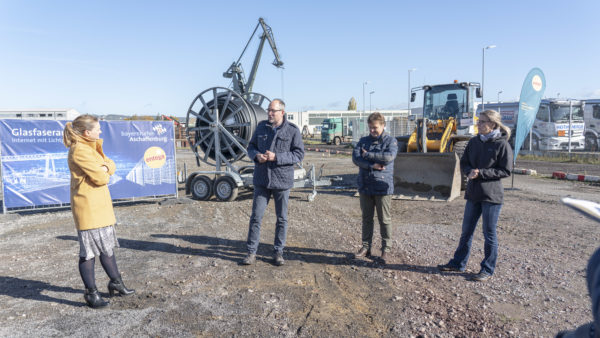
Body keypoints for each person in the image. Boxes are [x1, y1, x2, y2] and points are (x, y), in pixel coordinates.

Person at [63, 115, 135, 308]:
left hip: (99, 207)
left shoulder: (91, 147)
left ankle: (116, 282)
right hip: (89, 208)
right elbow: (101, 178)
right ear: (87, 132)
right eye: (97, 129)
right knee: (88, 253)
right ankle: (91, 294)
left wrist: (105, 167)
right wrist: (105, 169)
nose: (100, 131)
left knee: (107, 247)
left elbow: (111, 164)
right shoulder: (80, 151)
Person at [438, 109, 513, 281]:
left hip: (491, 196)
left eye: (483, 122)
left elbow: (505, 170)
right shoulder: (473, 142)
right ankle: (458, 263)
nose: (478, 124)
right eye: (478, 121)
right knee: (466, 231)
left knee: (489, 233)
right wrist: (469, 171)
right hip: (473, 194)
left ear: (493, 124)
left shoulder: (502, 144)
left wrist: (482, 173)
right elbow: (464, 162)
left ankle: (487, 268)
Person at [242, 99, 305, 266]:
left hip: (282, 180)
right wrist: (257, 156)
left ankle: (278, 252)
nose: (269, 113)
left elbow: (298, 154)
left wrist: (277, 157)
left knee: (282, 218)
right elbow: (251, 147)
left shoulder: (292, 130)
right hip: (262, 180)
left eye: (273, 111)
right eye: (268, 110)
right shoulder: (261, 127)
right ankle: (251, 252)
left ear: (281, 113)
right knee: (256, 217)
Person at [352, 112, 398, 264]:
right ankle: (366, 247)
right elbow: (356, 158)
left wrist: (368, 155)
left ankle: (386, 250)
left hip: (382, 187)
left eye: (375, 128)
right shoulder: (363, 141)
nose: (372, 130)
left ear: (383, 125)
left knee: (384, 219)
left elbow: (388, 157)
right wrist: (372, 164)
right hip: (365, 185)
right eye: (370, 128)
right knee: (366, 219)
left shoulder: (391, 141)